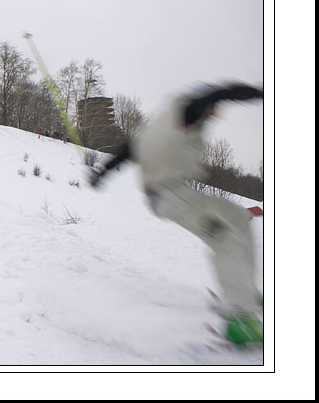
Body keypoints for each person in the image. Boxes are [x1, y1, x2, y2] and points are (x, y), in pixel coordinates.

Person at [88, 82, 264, 346]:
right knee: (224, 237)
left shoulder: (157, 128)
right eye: (213, 111)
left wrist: (101, 173)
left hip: (177, 193)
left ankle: (245, 291)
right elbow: (221, 93)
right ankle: (240, 319)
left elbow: (126, 151)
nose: (214, 115)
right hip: (171, 195)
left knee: (238, 217)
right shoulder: (188, 110)